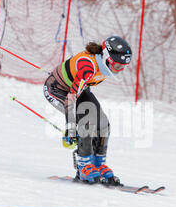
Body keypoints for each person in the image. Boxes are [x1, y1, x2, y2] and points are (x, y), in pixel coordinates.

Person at [43, 36, 132, 184]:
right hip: (56, 90)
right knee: (86, 121)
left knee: (103, 124)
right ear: (107, 58)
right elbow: (70, 99)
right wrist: (70, 128)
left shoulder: (103, 65)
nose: (119, 70)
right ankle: (84, 166)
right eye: (117, 66)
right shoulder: (88, 67)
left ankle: (98, 165)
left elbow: (82, 88)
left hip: (77, 90)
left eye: (122, 67)